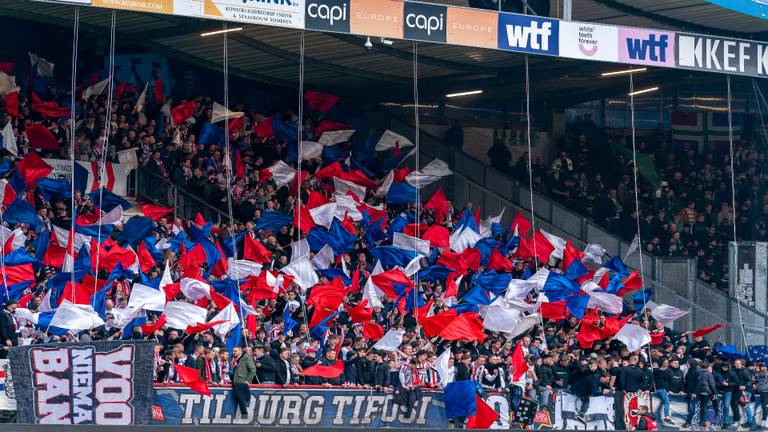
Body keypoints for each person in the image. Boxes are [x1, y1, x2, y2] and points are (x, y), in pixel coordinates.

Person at [230, 345, 256, 416]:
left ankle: (244, 413)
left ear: (240, 351)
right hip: (234, 382)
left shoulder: (246, 358)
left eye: (235, 351)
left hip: (241, 381)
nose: (234, 352)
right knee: (237, 396)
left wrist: (248, 380)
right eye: (233, 351)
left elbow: (253, 369)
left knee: (240, 397)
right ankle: (244, 412)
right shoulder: (232, 359)